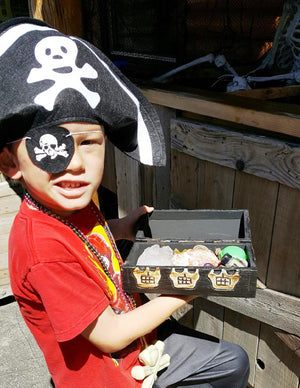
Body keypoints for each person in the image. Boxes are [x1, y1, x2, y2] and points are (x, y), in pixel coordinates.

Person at [0, 17, 250, 388]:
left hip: (139, 343)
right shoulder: (43, 249)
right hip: (108, 375)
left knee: (232, 362)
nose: (76, 164)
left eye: (89, 143)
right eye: (51, 147)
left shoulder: (69, 204)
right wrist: (185, 289)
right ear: (10, 162)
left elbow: (87, 240)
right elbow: (111, 334)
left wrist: (124, 226)